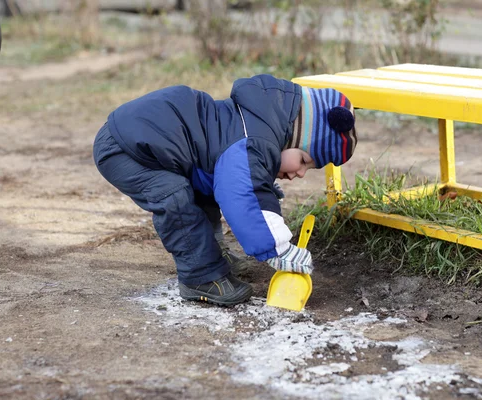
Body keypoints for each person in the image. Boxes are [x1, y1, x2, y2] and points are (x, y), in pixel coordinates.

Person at [93, 74, 357, 306]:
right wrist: (279, 249)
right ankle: (201, 277)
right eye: (304, 161)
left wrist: (263, 185)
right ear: (295, 136)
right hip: (125, 147)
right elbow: (244, 194)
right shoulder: (255, 141)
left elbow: (243, 181)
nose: (300, 172)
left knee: (204, 191)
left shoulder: (255, 125)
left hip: (152, 140)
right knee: (175, 198)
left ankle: (213, 252)